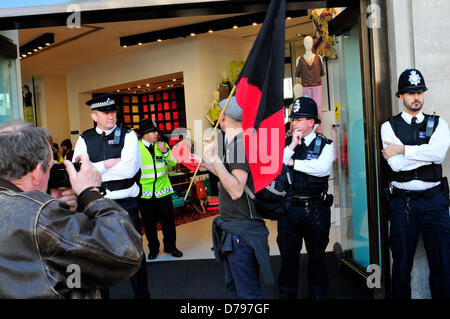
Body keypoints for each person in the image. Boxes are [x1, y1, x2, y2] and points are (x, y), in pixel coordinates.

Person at [0, 120, 142, 299]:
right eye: (51, 167)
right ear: (37, 171)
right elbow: (126, 253)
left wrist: (53, 203)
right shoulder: (42, 217)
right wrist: (90, 193)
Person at [381, 68, 450, 299]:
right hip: (403, 205)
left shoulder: (438, 123)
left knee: (442, 265)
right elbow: (397, 166)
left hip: (434, 202)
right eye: (411, 93)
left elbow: (439, 155)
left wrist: (402, 149)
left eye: (420, 91)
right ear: (400, 96)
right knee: (401, 267)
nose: (416, 97)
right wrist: (424, 153)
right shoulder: (388, 126)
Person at [72, 93, 150, 299]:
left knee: (134, 254)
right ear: (94, 116)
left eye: (113, 111)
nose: (111, 116)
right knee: (100, 256)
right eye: (105, 113)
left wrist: (94, 171)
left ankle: (142, 296)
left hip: (127, 205)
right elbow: (79, 170)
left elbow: (128, 170)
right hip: (96, 205)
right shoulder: (84, 138)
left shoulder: (129, 134)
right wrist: (106, 164)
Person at [197, 97, 274, 299]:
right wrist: (208, 164)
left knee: (247, 294)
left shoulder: (240, 143)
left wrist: (214, 157)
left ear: (223, 118)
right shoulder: (241, 140)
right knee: (238, 289)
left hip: (242, 231)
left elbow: (236, 190)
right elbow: (233, 178)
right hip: (239, 229)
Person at [279, 96, 334, 299]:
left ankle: (318, 294)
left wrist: (294, 163)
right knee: (288, 258)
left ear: (311, 122)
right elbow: (277, 166)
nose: (294, 123)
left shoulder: (326, 144)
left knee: (317, 257)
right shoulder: (286, 144)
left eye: (299, 119)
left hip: (316, 209)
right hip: (289, 209)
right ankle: (287, 294)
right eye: (293, 119)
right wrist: (292, 145)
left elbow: (322, 168)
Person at [138, 118, 182, 259]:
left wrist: (165, 152)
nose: (157, 133)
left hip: (163, 190)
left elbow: (173, 163)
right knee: (149, 223)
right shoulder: (135, 148)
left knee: (168, 221)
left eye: (157, 131)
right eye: (153, 131)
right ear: (145, 133)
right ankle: (153, 249)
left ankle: (171, 247)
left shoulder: (162, 145)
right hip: (145, 193)